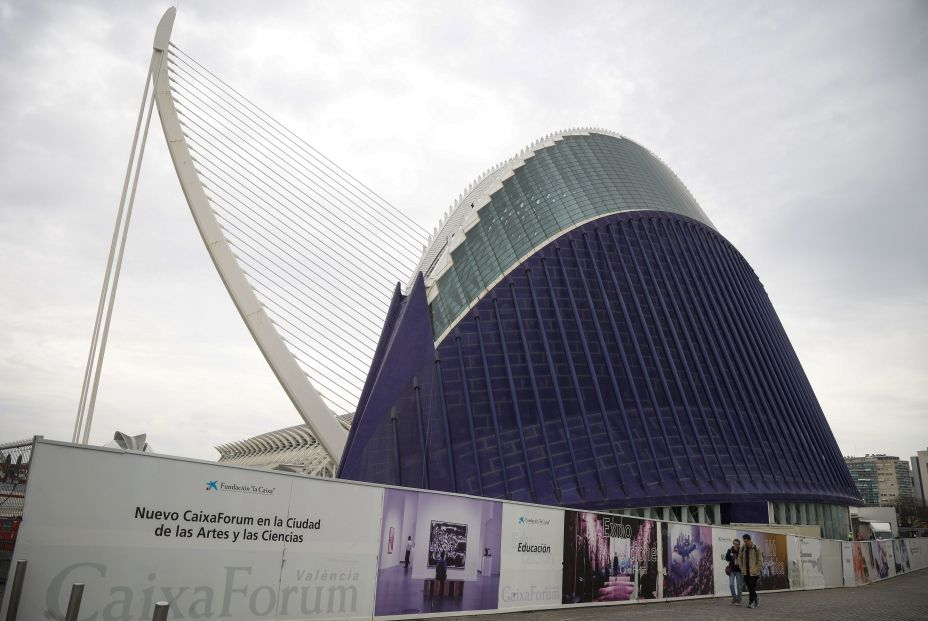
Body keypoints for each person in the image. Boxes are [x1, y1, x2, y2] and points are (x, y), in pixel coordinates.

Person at [738, 534, 763, 609]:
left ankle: (751, 602)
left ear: (749, 540)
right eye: (744, 541)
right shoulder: (742, 548)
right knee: (750, 588)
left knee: (752, 587)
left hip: (754, 573)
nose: (745, 543)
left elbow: (760, 560)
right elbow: (740, 558)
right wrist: (741, 567)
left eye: (746, 541)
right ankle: (756, 597)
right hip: (745, 572)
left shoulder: (756, 548)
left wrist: (757, 570)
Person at [725, 538, 743, 604]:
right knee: (731, 585)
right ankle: (735, 598)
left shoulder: (741, 551)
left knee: (739, 586)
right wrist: (731, 556)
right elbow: (727, 558)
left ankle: (739, 600)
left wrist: (740, 561)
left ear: (739, 544)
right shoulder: (730, 550)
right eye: (734, 543)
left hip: (739, 570)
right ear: (733, 543)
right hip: (732, 570)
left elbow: (744, 559)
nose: (736, 545)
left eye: (737, 544)